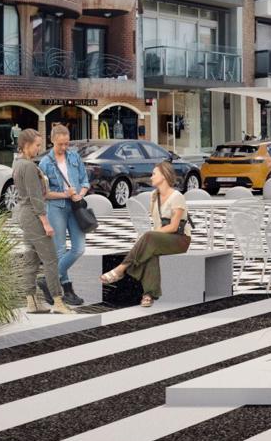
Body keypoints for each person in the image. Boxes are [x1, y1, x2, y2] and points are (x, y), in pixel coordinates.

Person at [103, 160, 191, 306]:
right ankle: (148, 295)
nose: (151, 177)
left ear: (163, 176)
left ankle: (121, 268)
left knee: (149, 238)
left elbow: (174, 227)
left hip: (179, 240)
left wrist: (150, 235)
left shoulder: (177, 197)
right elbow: (155, 222)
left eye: (154, 174)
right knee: (150, 253)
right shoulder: (153, 196)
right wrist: (150, 236)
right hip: (159, 239)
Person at [11, 128, 68, 314]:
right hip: (33, 216)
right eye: (37, 145)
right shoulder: (27, 166)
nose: (38, 149)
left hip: (25, 215)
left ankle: (32, 301)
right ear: (26, 145)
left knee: (32, 258)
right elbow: (36, 197)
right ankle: (58, 302)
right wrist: (46, 223)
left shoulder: (18, 163)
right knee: (51, 259)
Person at [39, 122, 91, 304]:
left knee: (78, 248)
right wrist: (64, 194)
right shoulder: (45, 163)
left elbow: (85, 181)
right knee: (60, 251)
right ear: (52, 141)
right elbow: (44, 193)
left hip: (75, 207)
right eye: (60, 144)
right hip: (56, 208)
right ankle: (68, 291)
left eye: (66, 143)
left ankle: (47, 280)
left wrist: (80, 194)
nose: (63, 147)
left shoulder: (74, 157)